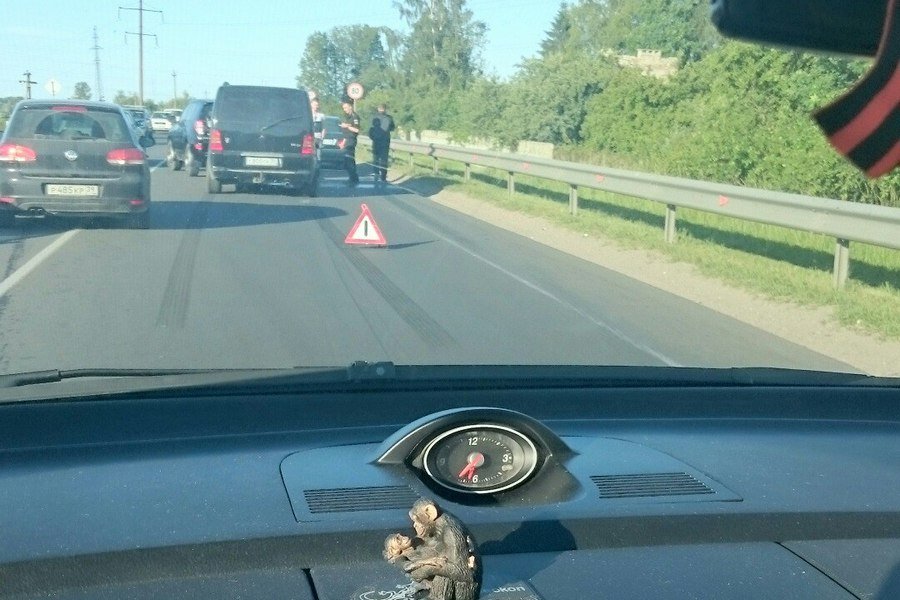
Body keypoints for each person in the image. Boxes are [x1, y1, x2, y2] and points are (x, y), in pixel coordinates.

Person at [370, 103, 395, 184]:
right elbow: (392, 128)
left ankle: (376, 173)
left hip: (376, 141)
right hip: (385, 141)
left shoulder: (374, 117)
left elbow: (372, 128)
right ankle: (383, 177)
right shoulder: (389, 118)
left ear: (378, 109)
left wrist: (374, 137)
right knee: (384, 159)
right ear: (385, 109)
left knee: (376, 158)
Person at [339, 99, 361, 186]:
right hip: (347, 140)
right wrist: (343, 142)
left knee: (349, 160)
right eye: (343, 108)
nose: (344, 109)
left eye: (346, 107)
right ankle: (352, 177)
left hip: (351, 141)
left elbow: (357, 130)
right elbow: (346, 133)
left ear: (350, 107)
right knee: (347, 160)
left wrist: (347, 126)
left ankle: (354, 179)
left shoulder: (355, 117)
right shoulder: (347, 117)